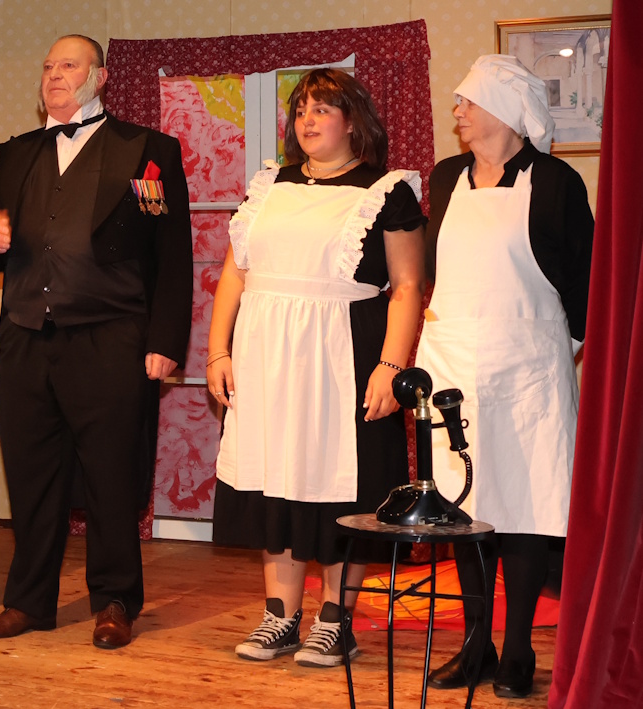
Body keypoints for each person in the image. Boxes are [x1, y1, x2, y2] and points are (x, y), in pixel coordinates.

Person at [0, 35, 192, 650]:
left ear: (100, 77)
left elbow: (172, 254)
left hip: (111, 337)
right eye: (47, 66)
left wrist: (165, 339)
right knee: (31, 476)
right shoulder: (14, 153)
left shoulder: (147, 150)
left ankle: (115, 601)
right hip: (26, 338)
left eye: (68, 65)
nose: (54, 75)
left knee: (110, 478)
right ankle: (27, 601)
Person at [207, 68, 425, 668]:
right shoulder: (268, 185)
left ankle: (335, 621)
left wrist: (390, 366)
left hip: (344, 352)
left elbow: (407, 286)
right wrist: (219, 349)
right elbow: (235, 273)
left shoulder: (387, 191)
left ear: (352, 121)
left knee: (339, 484)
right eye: (301, 109)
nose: (307, 119)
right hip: (266, 354)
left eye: (322, 108)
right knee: (274, 478)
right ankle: (280, 616)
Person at [418, 55, 592, 699]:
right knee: (464, 508)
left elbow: (586, 280)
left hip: (528, 369)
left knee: (524, 505)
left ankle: (517, 648)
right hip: (454, 362)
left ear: (503, 108)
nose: (457, 111)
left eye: (467, 100)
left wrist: (555, 346)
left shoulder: (555, 182)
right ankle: (476, 646)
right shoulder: (444, 179)